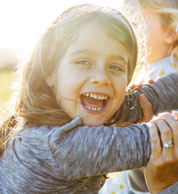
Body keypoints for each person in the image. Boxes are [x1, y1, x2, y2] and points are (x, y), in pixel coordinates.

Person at [0, 4, 177, 194]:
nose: (101, 77)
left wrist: (138, 107)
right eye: (83, 62)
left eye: (115, 67)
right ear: (50, 72)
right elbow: (162, 142)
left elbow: (151, 97)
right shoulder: (57, 145)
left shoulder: (75, 106)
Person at [99, 0, 178, 193]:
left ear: (170, 33)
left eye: (137, 23)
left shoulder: (167, 74)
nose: (129, 31)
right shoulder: (151, 71)